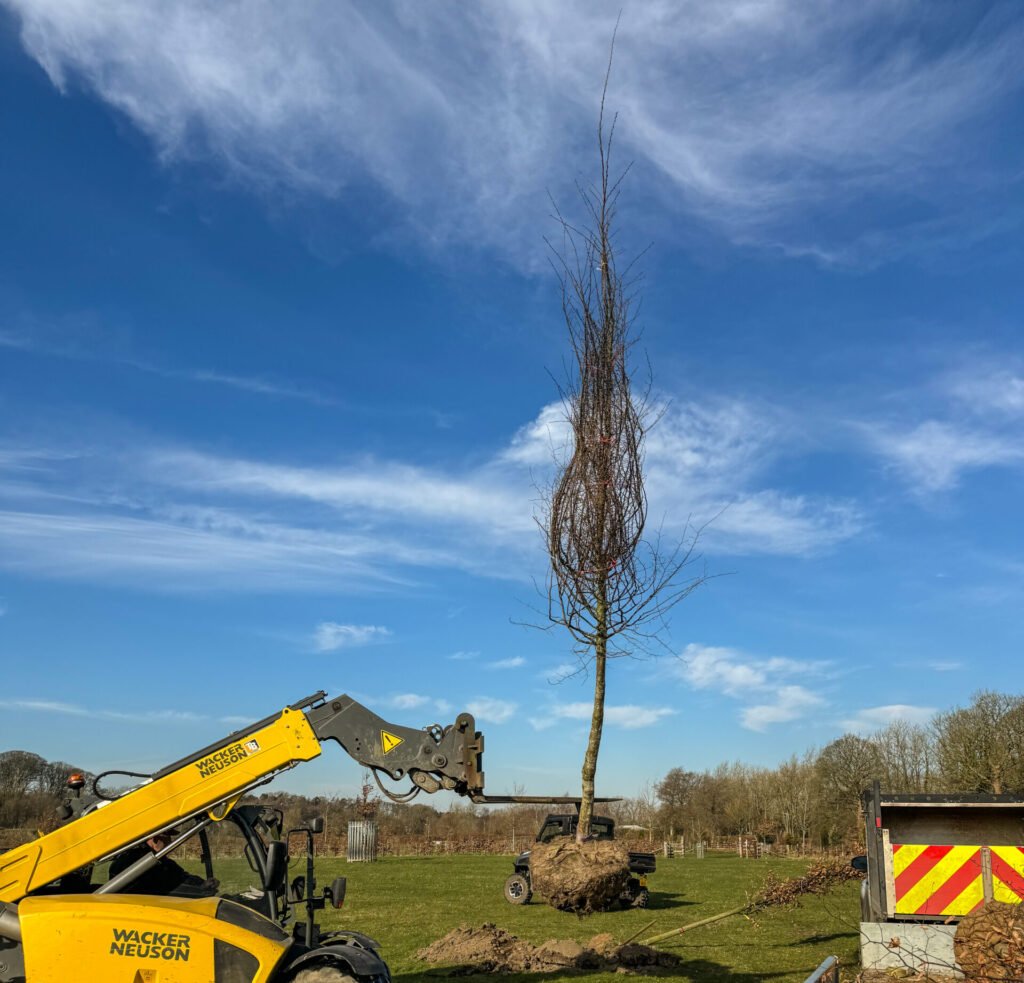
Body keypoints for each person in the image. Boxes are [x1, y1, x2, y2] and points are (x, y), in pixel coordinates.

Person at [109, 829, 219, 897]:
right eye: (166, 836)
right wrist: (200, 891)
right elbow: (165, 888)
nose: (170, 841)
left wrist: (203, 883)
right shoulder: (137, 862)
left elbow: (181, 876)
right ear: (154, 839)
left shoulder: (161, 861)